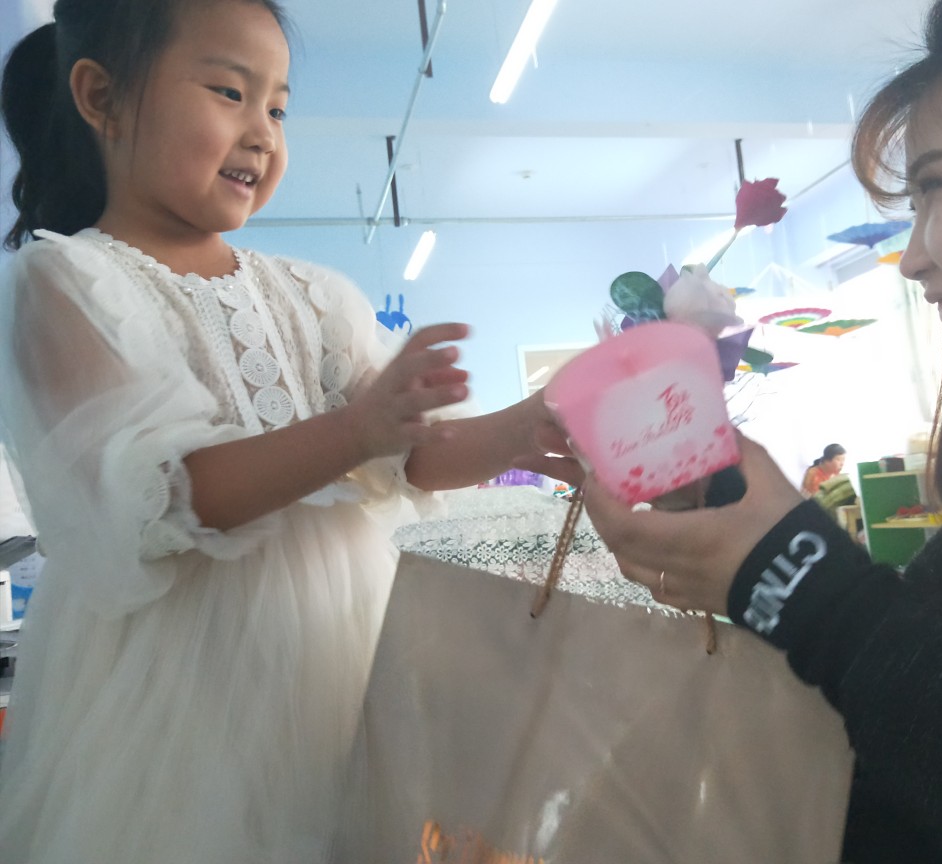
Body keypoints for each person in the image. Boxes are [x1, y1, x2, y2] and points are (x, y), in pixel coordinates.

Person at [577, 0, 942, 860]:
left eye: (938, 186)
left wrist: (802, 584)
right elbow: (921, 731)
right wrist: (741, 541)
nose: (912, 257)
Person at [0, 1, 567, 860]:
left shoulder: (316, 294)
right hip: (179, 695)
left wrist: (518, 431)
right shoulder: (65, 282)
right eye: (230, 92)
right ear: (101, 98)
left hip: (347, 655)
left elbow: (410, 451)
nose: (262, 132)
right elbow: (162, 498)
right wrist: (354, 431)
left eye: (278, 107)